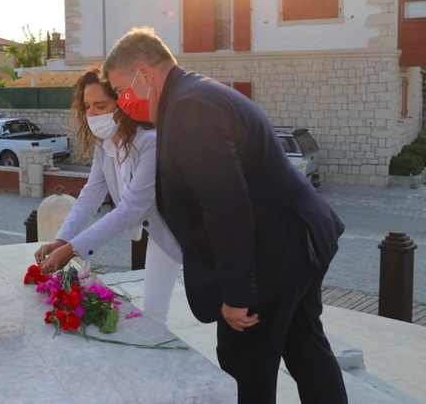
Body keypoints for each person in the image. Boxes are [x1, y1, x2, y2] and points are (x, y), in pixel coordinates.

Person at [103, 27, 348, 403]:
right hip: (296, 240)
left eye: (121, 90)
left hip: (273, 253)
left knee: (245, 370)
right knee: (305, 348)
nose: (122, 102)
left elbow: (226, 204)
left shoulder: (189, 109)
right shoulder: (194, 93)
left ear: (146, 75)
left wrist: (237, 293)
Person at [34, 65, 182, 325]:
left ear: (123, 104)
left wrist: (72, 249)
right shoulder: (105, 146)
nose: (91, 114)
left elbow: (131, 209)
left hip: (184, 231)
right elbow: (89, 196)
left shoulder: (149, 142)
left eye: (100, 106)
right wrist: (61, 239)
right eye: (87, 106)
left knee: (219, 306)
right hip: (161, 234)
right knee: (154, 312)